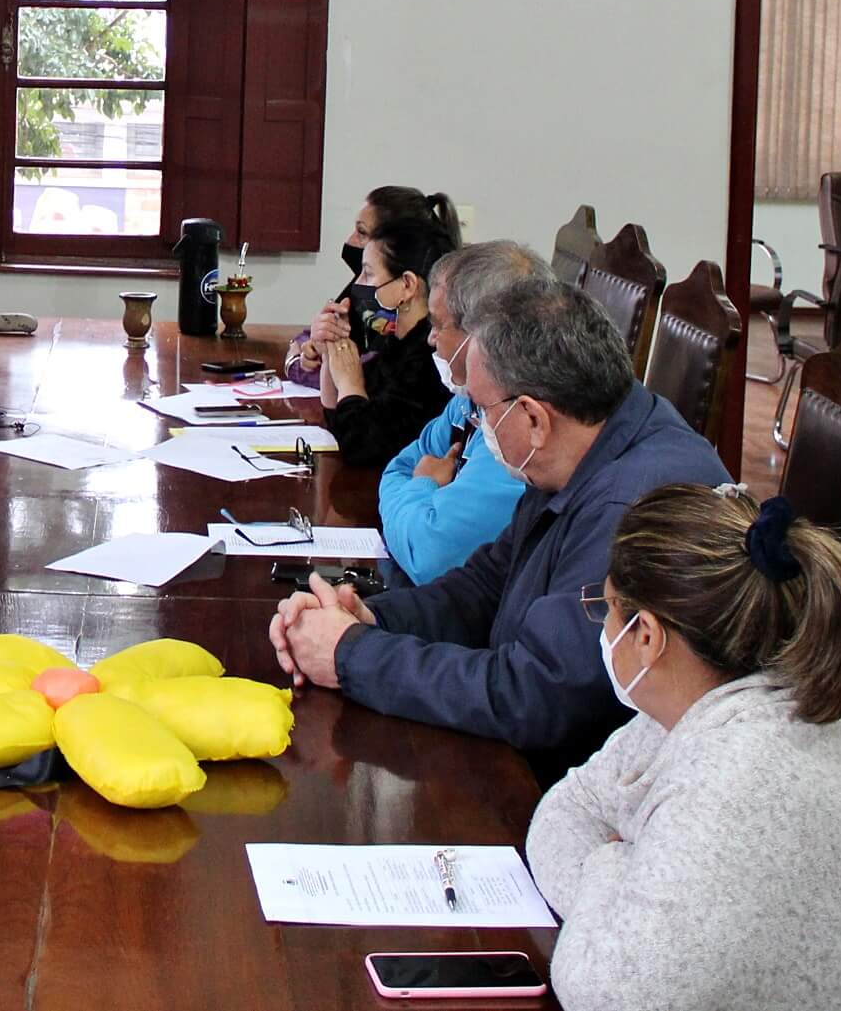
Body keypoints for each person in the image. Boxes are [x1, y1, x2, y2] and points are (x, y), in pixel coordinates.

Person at [528, 485, 841, 1011]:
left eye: (606, 609)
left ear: (646, 633)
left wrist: (611, 866)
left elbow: (604, 990)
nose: (603, 626)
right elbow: (566, 808)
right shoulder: (705, 702)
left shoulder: (742, 776)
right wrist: (624, 884)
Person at [269, 278, 730, 780]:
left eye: (484, 409)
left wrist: (351, 654)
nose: (477, 427)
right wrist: (369, 618)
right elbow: (488, 583)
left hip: (581, 787)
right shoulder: (582, 440)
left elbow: (537, 696)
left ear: (533, 417)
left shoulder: (630, 508)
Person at [378, 241, 550, 585]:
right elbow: (397, 468)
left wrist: (421, 486)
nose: (430, 339)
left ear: (482, 335)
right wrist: (421, 496)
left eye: (438, 325)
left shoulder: (514, 424)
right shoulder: (467, 399)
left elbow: (427, 557)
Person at [317, 216, 458, 467]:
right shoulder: (397, 344)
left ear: (407, 285)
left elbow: (362, 448)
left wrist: (350, 382)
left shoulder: (429, 362)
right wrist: (332, 353)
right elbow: (340, 418)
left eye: (368, 274)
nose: (358, 284)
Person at [284, 186, 462, 384]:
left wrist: (318, 360)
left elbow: (356, 380)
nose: (350, 241)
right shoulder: (369, 295)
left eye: (362, 232)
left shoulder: (421, 341)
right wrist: (311, 351)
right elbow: (312, 339)